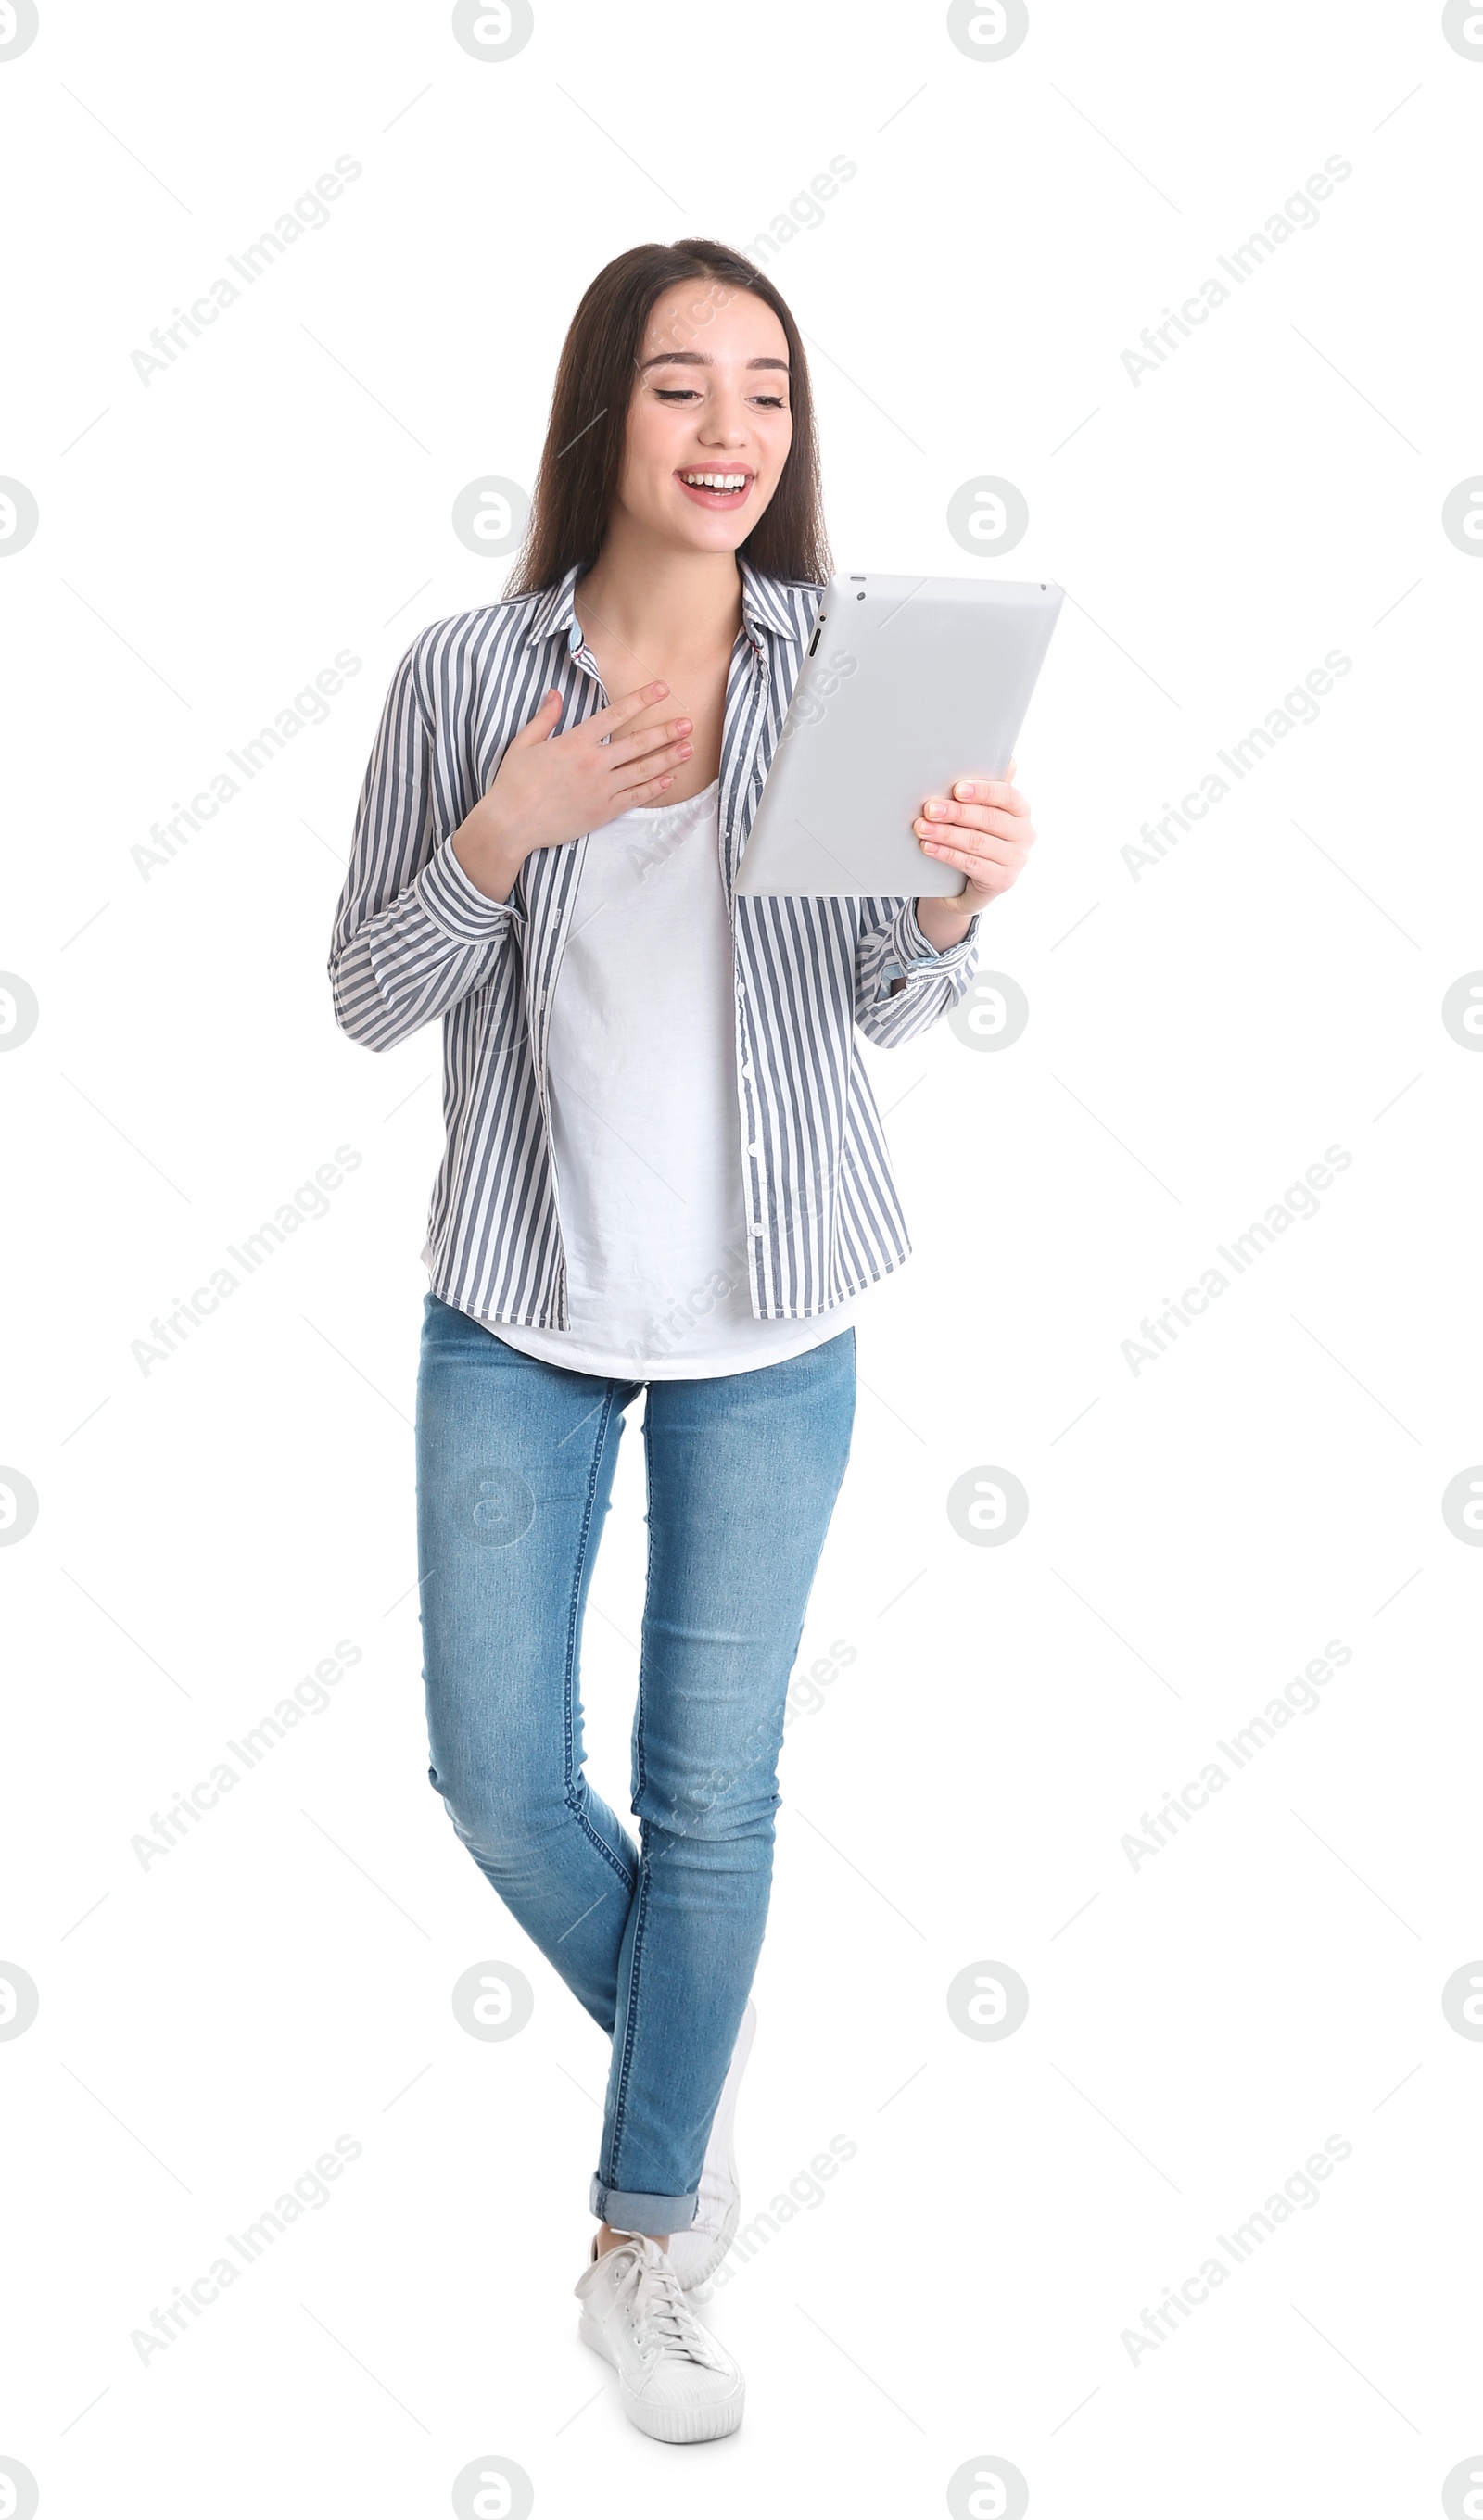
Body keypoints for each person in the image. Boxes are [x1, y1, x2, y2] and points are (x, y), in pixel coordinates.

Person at [327, 237, 1037, 2445]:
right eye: (676, 390)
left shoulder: (846, 665)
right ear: (598, 420)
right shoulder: (471, 671)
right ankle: (693, 2080)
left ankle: (647, 2232)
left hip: (773, 1314)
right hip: (516, 1305)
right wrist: (504, 829)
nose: (729, 433)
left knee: (707, 1795)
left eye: (765, 393)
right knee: (490, 1770)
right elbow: (367, 988)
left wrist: (946, 908)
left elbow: (876, 1002)